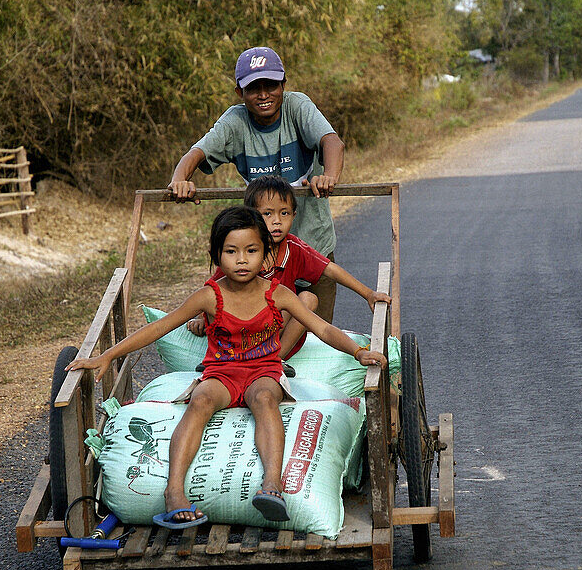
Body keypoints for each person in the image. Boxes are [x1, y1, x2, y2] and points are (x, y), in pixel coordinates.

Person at [66, 206, 387, 529]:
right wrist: (106, 355)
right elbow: (159, 328)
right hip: (221, 372)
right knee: (200, 400)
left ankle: (272, 486)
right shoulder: (209, 296)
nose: (242, 260)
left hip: (263, 370)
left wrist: (358, 352)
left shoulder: (279, 295)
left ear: (266, 256)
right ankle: (174, 492)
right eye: (231, 252)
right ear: (217, 256)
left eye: (251, 251)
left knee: (264, 399)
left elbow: (323, 329)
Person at [168, 46, 345, 322]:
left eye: (271, 85)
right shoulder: (235, 121)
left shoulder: (297, 107)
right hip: (262, 257)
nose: (264, 95)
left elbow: (331, 141)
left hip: (312, 246)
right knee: (261, 330)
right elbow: (196, 153)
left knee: (316, 335)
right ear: (240, 93)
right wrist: (180, 180)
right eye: (254, 88)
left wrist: (329, 176)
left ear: (283, 85)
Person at [187, 175, 392, 359]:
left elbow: (329, 268)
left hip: (276, 329)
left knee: (309, 298)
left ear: (294, 215)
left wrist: (368, 294)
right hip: (241, 331)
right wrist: (201, 318)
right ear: (251, 216)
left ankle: (277, 359)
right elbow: (213, 290)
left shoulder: (292, 248)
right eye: (267, 214)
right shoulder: (239, 253)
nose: (277, 221)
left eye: (284, 213)